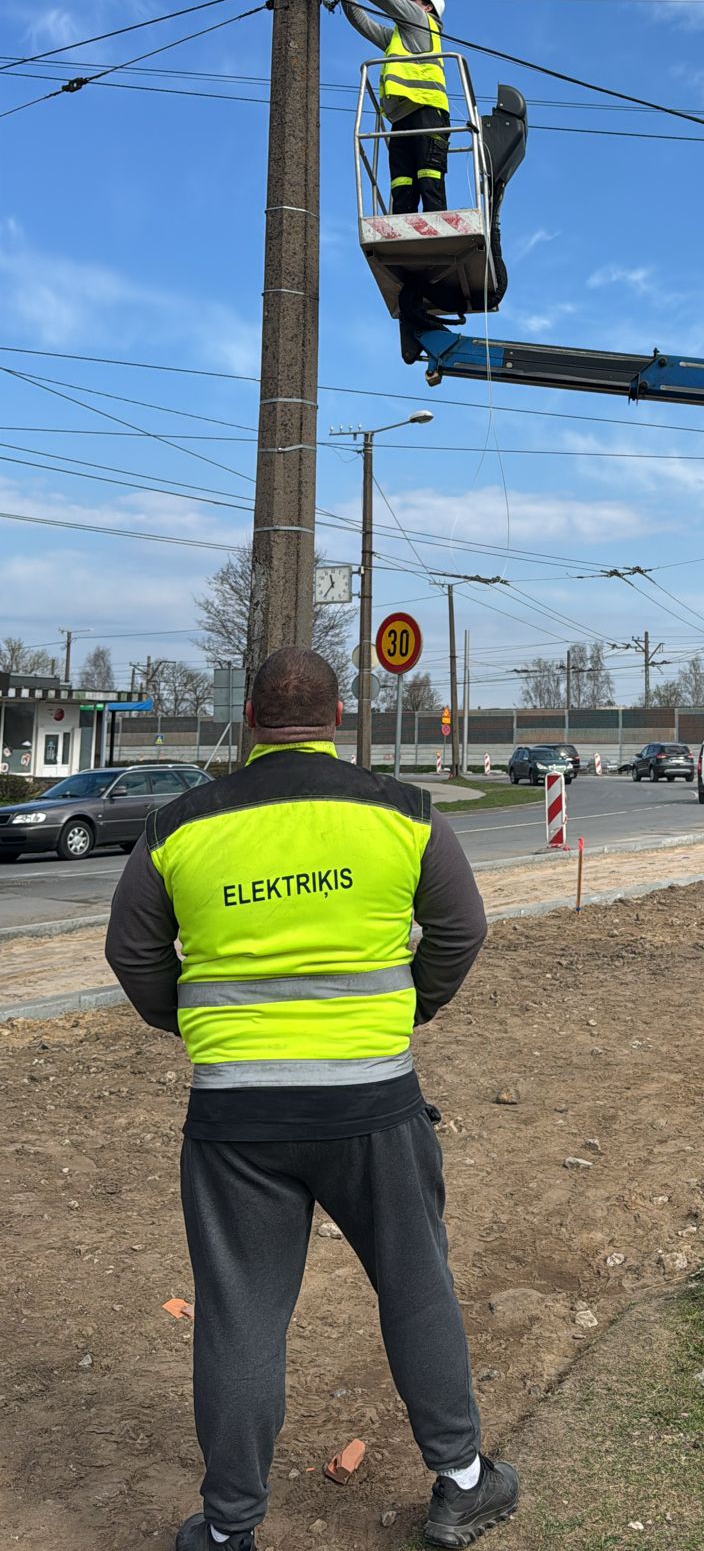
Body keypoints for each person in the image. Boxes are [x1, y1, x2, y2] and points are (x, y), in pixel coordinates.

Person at [105, 646, 518, 1551]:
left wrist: (199, 1027)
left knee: (240, 1315)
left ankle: (228, 1530)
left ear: (252, 718)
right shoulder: (404, 813)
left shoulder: (179, 826)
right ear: (338, 717)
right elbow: (462, 928)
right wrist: (408, 1010)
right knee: (415, 1284)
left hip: (236, 1116)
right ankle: (461, 1482)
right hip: (373, 1103)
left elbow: (131, 953)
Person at [311, 0, 451, 212]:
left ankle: (438, 228)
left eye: (412, 0)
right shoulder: (400, 37)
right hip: (402, 116)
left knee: (429, 182)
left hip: (427, 111)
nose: (406, 3)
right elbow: (363, 23)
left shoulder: (420, 21)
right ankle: (404, 231)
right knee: (402, 186)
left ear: (427, 7)